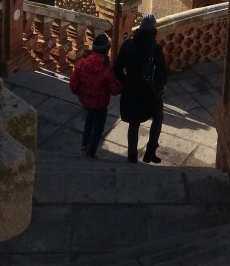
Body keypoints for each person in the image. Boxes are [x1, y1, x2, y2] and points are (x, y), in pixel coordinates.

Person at [113, 13, 167, 164]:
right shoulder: (155, 49)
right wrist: (160, 88)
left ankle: (132, 157)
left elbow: (117, 69)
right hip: (149, 93)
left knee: (134, 124)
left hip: (130, 91)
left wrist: (126, 81)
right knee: (158, 116)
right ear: (153, 30)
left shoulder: (127, 45)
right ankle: (150, 151)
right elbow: (163, 73)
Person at [69, 33, 121, 158]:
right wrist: (122, 86)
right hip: (100, 104)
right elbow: (114, 90)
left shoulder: (83, 63)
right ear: (107, 50)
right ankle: (91, 152)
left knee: (89, 119)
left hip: (86, 101)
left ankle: (84, 144)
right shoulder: (106, 68)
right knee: (98, 128)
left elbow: (73, 83)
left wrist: (81, 93)